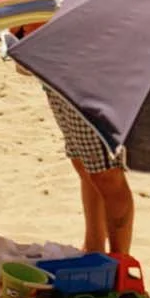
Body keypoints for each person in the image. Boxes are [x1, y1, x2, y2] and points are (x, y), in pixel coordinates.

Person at [42, 82, 133, 259]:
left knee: (106, 175)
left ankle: (120, 262)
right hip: (57, 80)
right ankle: (93, 248)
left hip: (90, 83)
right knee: (83, 165)